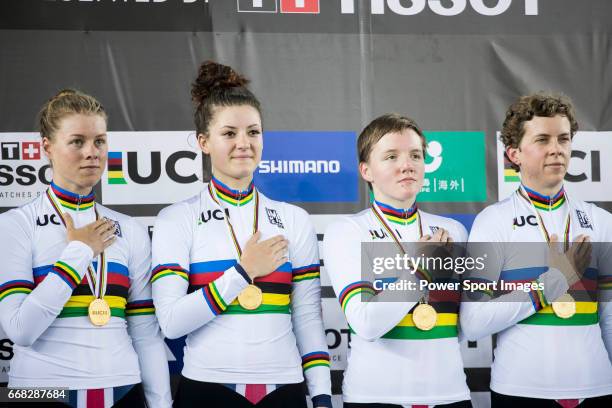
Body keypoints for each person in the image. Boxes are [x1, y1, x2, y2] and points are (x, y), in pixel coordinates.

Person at [151, 61, 332, 408]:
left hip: (285, 388)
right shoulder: (177, 218)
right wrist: (242, 272)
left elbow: (307, 318)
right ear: (203, 142)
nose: (244, 143)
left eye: (253, 131)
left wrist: (322, 395)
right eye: (229, 133)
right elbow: (171, 323)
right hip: (208, 388)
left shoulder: (294, 219)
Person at [0, 89, 172, 407]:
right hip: (40, 393)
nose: (92, 153)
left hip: (122, 389)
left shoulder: (129, 229)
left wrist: (161, 403)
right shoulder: (16, 225)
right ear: (47, 148)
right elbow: (21, 330)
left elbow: (146, 335)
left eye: (99, 141)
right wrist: (79, 253)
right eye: (77, 141)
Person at [460, 93, 612, 407]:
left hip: (597, 388)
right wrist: (555, 280)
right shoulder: (493, 222)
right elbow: (473, 321)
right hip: (520, 391)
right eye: (543, 139)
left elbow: (609, 318)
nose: (557, 149)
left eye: (564, 139)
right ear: (514, 153)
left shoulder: (601, 221)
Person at [323, 113, 472, 407]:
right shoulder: (348, 231)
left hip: (450, 395)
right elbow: (366, 323)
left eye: (415, 155)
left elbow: (467, 325)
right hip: (375, 397)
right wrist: (422, 272)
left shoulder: (453, 231)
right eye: (391, 156)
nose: (407, 165)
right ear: (366, 170)